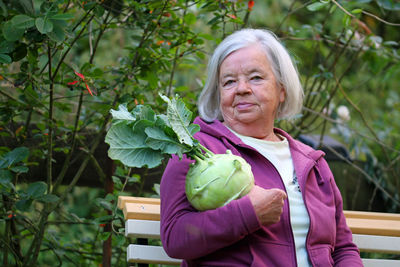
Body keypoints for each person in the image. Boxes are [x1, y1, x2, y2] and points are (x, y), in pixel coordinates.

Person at [160, 28, 362, 267]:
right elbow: (175, 238)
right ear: (218, 93)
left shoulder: (313, 164)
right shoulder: (197, 151)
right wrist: (248, 214)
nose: (242, 88)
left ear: (282, 90)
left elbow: (343, 248)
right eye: (229, 81)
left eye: (255, 77)